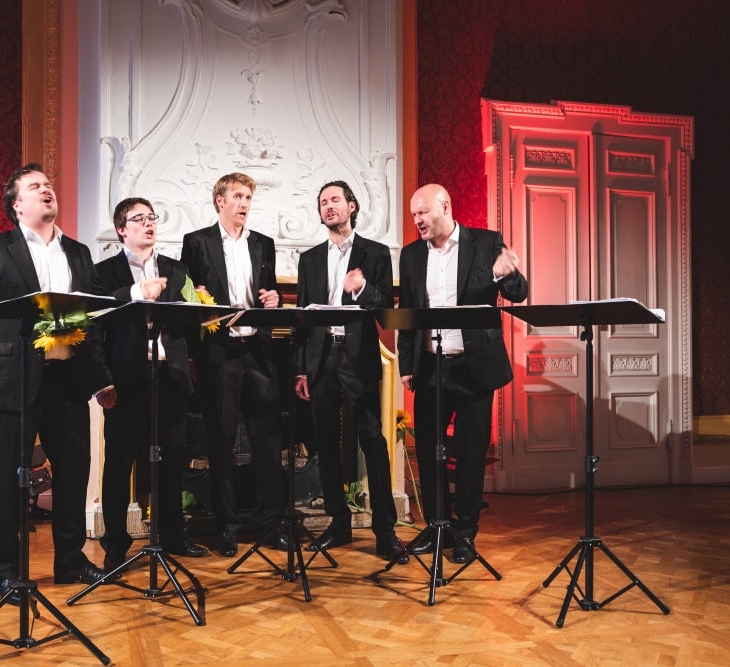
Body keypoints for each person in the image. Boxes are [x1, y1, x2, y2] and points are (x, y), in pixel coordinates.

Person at [0, 163, 116, 601]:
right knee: (9, 477)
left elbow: (94, 321)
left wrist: (101, 379)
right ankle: (7, 568)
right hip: (13, 380)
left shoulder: (78, 253)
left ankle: (70, 560)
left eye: (49, 185)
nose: (47, 190)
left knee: (74, 472)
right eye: (35, 187)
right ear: (16, 204)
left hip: (69, 379)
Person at [397, 183, 528, 563]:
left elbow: (519, 292)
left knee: (470, 455)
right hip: (430, 367)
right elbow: (408, 313)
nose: (417, 220)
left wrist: (504, 274)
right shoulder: (410, 256)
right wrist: (407, 365)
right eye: (413, 215)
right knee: (429, 453)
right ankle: (437, 524)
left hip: (473, 369)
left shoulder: (486, 244)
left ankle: (466, 532)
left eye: (422, 212)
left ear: (445, 206)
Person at [293, 180, 408, 564]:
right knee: (325, 443)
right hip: (320, 359)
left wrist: (361, 289)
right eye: (323, 202)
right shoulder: (309, 259)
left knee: (372, 440)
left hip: (357, 357)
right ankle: (338, 523)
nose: (329, 207)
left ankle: (385, 531)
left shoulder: (375, 253)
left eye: (335, 201)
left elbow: (387, 307)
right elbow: (302, 321)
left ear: (352, 206)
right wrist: (301, 370)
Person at [94, 197, 209, 569]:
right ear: (121, 229)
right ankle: (115, 545)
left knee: (171, 461)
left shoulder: (176, 270)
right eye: (138, 219)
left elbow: (189, 325)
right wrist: (101, 383)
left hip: (170, 377)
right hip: (125, 380)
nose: (148, 224)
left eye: (151, 217)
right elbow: (95, 322)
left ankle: (174, 535)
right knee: (119, 464)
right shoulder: (104, 272)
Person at [180, 172, 286, 557]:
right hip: (218, 356)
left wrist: (274, 299)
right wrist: (198, 297)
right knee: (221, 442)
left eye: (248, 197)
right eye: (238, 197)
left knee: (268, 442)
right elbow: (186, 297)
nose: (244, 204)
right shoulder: (197, 243)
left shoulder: (263, 244)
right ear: (219, 201)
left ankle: (270, 523)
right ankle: (227, 526)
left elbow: (268, 292)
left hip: (258, 354)